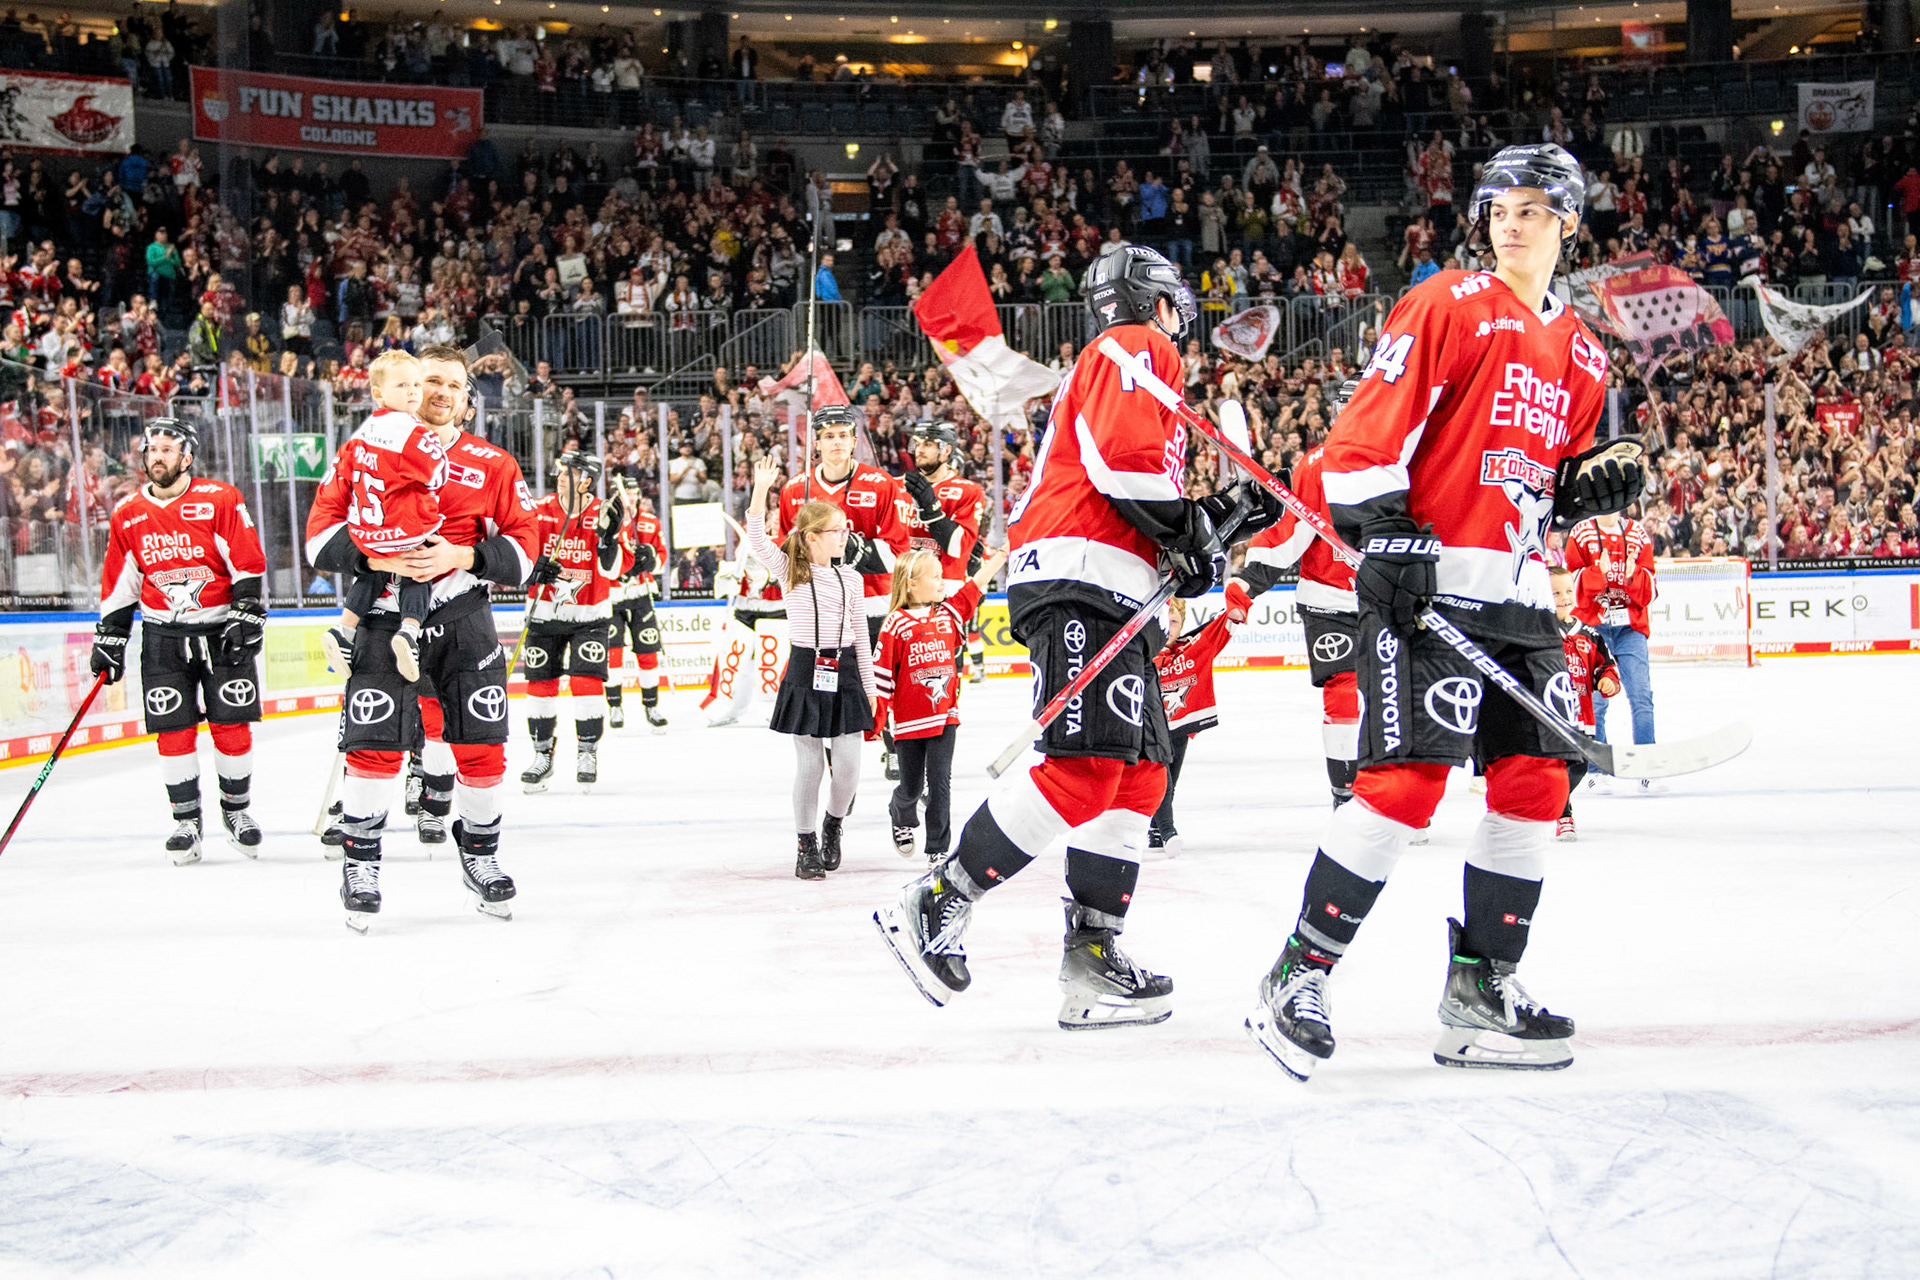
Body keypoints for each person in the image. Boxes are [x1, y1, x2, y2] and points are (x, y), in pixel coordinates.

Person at [1243, 144, 1641, 1079]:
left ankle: (1480, 990)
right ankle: (1297, 974)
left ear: (1569, 222)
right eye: (1499, 204)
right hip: (1428, 587)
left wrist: (1583, 492)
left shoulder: (1582, 351)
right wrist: (1390, 538)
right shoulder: (1446, 303)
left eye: (1535, 207)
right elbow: (1361, 442)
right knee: (1404, 787)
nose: (1511, 218)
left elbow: (1544, 478)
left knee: (1538, 783)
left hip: (1519, 595)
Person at [874, 245, 1282, 1030]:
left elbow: (1143, 498)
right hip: (1078, 577)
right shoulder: (1135, 345)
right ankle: (935, 900)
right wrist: (1193, 524)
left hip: (1111, 584)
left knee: (1138, 774)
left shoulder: (1127, 362)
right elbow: (1125, 469)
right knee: (1087, 765)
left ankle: (1093, 957)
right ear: (1157, 302)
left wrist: (1214, 525)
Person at [306, 345, 541, 931]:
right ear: (406, 387)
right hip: (385, 617)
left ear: (467, 400)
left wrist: (463, 553)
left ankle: (481, 858)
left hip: (463, 619)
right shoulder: (364, 448)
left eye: (453, 385)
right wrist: (373, 554)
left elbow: (527, 547)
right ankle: (361, 867)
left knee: (481, 750)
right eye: (430, 379)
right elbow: (317, 537)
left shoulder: (494, 463)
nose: (439, 391)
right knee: (375, 749)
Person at [91, 418, 266, 864]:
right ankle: (186, 822)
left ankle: (237, 812)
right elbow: (120, 583)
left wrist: (246, 613)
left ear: (187, 457)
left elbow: (246, 561)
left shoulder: (219, 499)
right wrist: (110, 636)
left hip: (220, 630)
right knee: (172, 730)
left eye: (167, 449)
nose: (157, 456)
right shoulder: (128, 512)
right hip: (163, 637)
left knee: (230, 727)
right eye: (151, 449)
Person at [746, 454, 875, 880]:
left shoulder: (851, 579)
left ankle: (833, 824)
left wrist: (871, 693)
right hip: (805, 670)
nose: (844, 537)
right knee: (811, 765)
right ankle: (806, 844)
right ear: (814, 537)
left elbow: (861, 637)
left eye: (845, 530)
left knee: (850, 768)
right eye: (837, 531)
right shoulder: (791, 571)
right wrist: (761, 490)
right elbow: (758, 541)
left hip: (846, 672)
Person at [777, 403, 909, 767]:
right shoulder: (794, 489)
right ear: (815, 443)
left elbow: (900, 550)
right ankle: (839, 768)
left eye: (843, 436)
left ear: (854, 441)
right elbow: (786, 552)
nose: (836, 442)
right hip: (825, 610)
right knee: (831, 688)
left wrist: (859, 550)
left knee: (883, 681)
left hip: (875, 601)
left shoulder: (880, 484)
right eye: (828, 436)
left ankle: (894, 745)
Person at [875, 543, 1007, 864]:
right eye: (935, 577)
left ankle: (937, 848)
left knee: (940, 782)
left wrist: (1003, 554)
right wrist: (875, 721)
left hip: (944, 716)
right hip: (907, 722)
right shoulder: (895, 624)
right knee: (911, 786)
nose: (942, 583)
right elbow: (881, 678)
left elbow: (975, 583)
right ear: (912, 584)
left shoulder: (949, 613)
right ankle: (900, 812)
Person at [322, 351, 446, 684]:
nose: (413, 392)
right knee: (417, 568)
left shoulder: (362, 432)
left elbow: (347, 476)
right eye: (403, 384)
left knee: (373, 572)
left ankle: (344, 628)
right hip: (402, 525)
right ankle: (409, 631)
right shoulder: (413, 431)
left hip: (367, 528)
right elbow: (438, 474)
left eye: (417, 384)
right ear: (378, 393)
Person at [519, 452, 623, 792]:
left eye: (569, 472)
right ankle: (542, 755)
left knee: (586, 684)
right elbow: (519, 550)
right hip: (544, 612)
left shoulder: (603, 513)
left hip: (589, 615)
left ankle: (587, 752)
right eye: (560, 470)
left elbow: (615, 569)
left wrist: (609, 542)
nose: (560, 475)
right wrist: (534, 568)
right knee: (540, 687)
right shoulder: (539, 509)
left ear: (587, 480)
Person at [1148, 582, 1254, 854]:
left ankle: (1154, 828)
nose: (1169, 628)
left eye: (1174, 621)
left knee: (1171, 779)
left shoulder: (1192, 650)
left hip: (1181, 727)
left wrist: (1236, 599)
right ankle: (1168, 830)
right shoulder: (1142, 654)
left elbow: (1223, 624)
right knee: (1161, 776)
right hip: (1151, 728)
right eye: (1165, 621)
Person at [1564, 508, 1656, 780]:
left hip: (1630, 626)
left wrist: (1633, 576)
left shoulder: (1638, 534)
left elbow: (1652, 588)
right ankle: (1596, 767)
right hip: (1593, 627)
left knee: (1641, 697)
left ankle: (1646, 766)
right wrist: (1597, 573)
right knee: (1595, 701)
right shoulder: (1581, 533)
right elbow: (1571, 584)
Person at [900, 419, 989, 679]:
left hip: (944, 593)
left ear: (947, 451)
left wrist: (930, 508)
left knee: (941, 677)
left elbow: (957, 546)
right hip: (903, 591)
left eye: (928, 444)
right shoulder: (899, 487)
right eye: (917, 444)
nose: (920, 450)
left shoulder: (967, 491)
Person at [1549, 565, 1619, 841]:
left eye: (1567, 591)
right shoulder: (1537, 631)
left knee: (1579, 765)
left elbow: (1606, 666)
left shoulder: (1590, 634)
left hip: (1582, 716)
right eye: (1555, 592)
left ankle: (1556, 803)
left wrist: (1608, 680)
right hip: (1551, 716)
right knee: (1555, 765)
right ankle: (1563, 814)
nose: (1564, 597)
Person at [606, 475, 669, 732]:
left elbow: (663, 557)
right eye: (625, 493)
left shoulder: (650, 522)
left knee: (648, 651)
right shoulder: (606, 521)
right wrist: (613, 568)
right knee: (613, 654)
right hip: (611, 597)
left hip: (641, 593)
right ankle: (615, 706)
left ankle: (651, 705)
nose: (631, 497)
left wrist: (650, 559)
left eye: (634, 493)